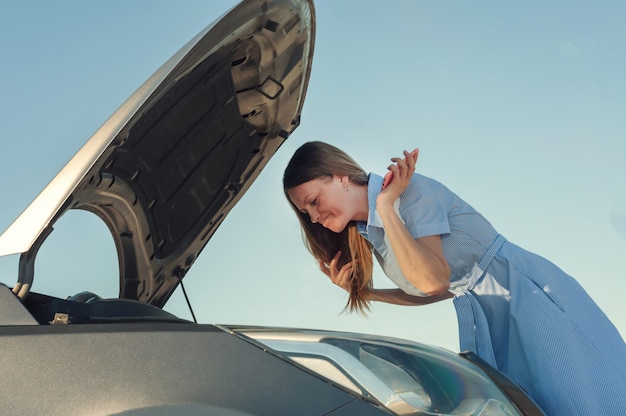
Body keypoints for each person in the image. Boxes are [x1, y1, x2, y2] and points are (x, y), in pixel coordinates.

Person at [283, 141, 626, 416]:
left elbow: (433, 280)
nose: (313, 217)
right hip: (486, 315)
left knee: (589, 394)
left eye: (313, 201)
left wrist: (387, 206)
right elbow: (437, 291)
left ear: (341, 175)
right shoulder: (370, 231)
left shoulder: (407, 192)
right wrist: (368, 293)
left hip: (522, 293)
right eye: (305, 212)